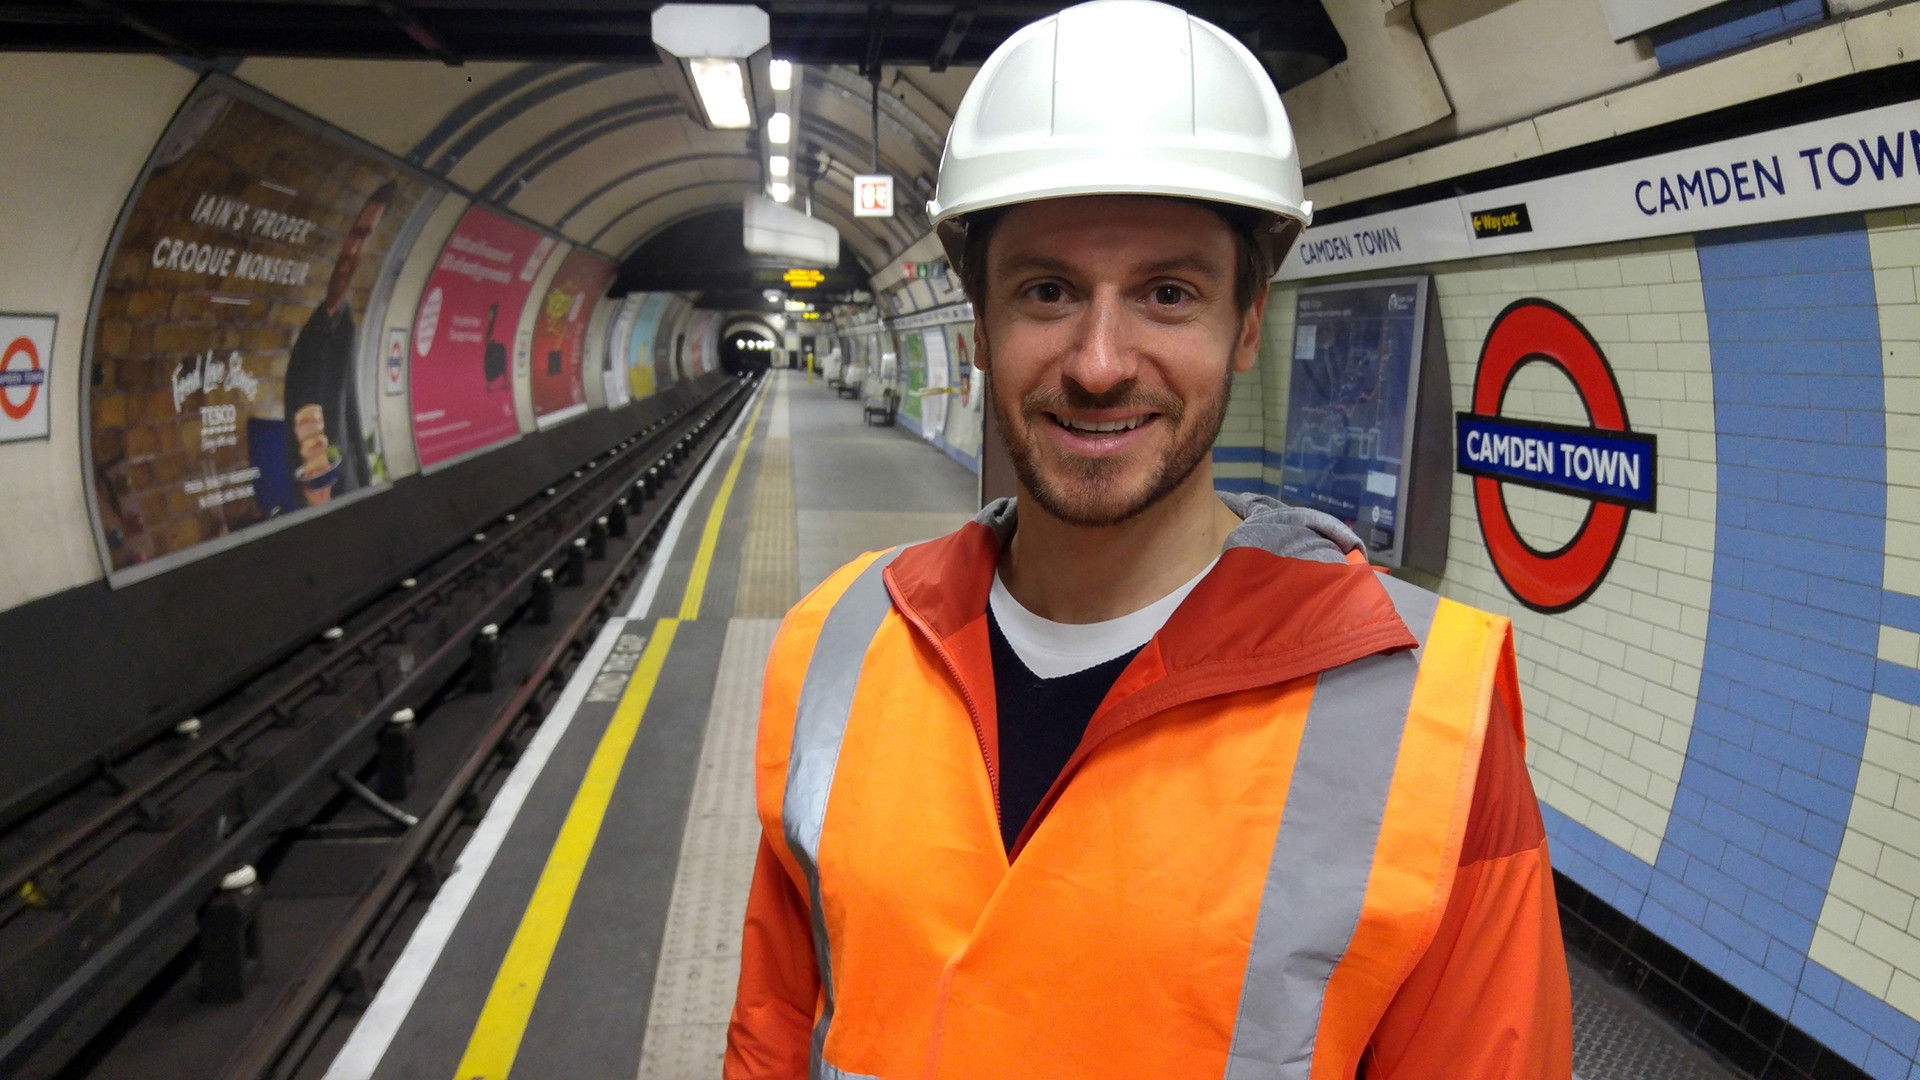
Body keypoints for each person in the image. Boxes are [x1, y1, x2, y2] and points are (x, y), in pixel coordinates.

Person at [725, 2, 1572, 1077]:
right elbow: (774, 1028)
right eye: (1047, 292)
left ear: (1246, 325)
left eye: (1169, 294)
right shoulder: (839, 641)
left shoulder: (1429, 717)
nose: (1099, 363)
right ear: (978, 325)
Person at [281, 180, 396, 504]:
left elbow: (350, 413)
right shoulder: (316, 335)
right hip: (325, 491)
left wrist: (363, 481)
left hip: (348, 486)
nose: (354, 251)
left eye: (365, 239)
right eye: (355, 235)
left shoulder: (344, 327)